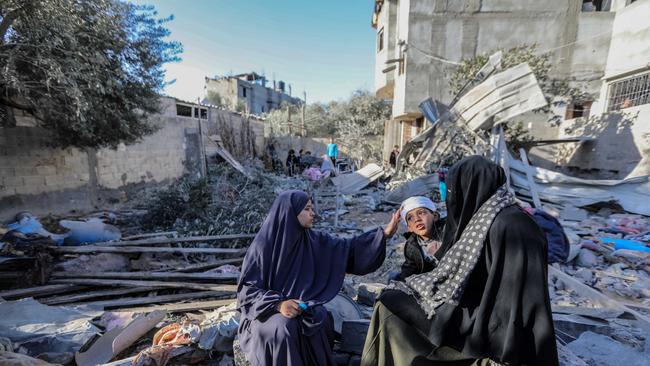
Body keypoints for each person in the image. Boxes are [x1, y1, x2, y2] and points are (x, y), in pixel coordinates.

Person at [361, 156, 558, 366]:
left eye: (455, 189)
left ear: (471, 187)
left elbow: (516, 303)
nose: (453, 197)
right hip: (481, 312)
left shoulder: (512, 225)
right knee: (390, 298)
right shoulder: (486, 219)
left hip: (493, 329)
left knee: (390, 305)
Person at [237, 190, 400, 366]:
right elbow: (247, 291)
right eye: (307, 209)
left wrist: (383, 234)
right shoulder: (263, 247)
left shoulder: (315, 241)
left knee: (318, 317)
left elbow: (348, 249)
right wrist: (279, 304)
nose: (312, 213)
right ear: (290, 213)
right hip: (265, 313)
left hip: (302, 309)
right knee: (284, 327)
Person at [391, 196, 446, 281]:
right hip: (431, 281)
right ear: (409, 228)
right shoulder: (412, 245)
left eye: (421, 213)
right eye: (410, 218)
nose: (417, 219)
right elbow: (409, 270)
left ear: (435, 216)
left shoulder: (448, 230)